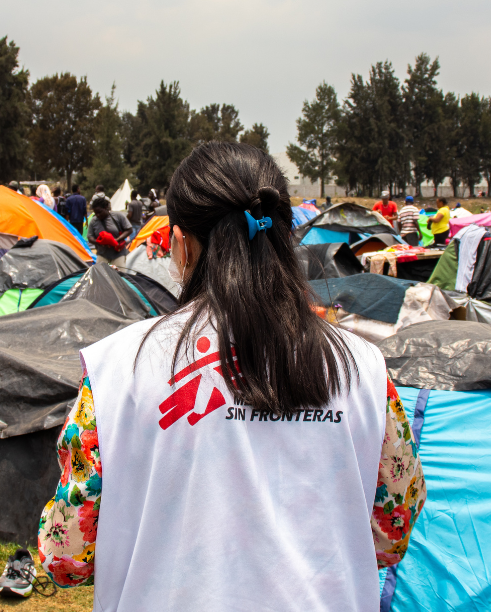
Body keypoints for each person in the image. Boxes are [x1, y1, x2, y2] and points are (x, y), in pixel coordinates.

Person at [37, 142, 426, 608]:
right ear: (284, 235)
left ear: (180, 245)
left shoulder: (118, 368)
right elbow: (391, 530)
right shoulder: (363, 368)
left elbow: (67, 554)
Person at [87, 194, 132, 267]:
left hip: (118, 254)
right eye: (96, 213)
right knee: (100, 276)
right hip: (102, 254)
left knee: (120, 276)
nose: (97, 215)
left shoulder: (118, 216)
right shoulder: (93, 221)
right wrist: (99, 242)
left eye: (100, 212)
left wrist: (117, 239)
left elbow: (129, 230)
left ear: (106, 208)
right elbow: (90, 237)